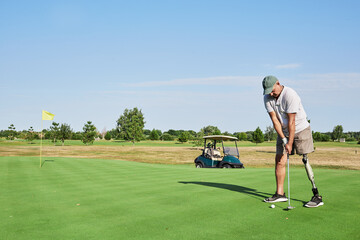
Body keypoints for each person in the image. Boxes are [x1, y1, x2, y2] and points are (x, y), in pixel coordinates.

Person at [262, 75, 323, 208]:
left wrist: (290, 143)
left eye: (272, 90)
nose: (271, 94)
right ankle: (280, 194)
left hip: (301, 129)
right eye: (268, 92)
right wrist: (284, 139)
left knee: (305, 159)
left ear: (278, 84)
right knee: (279, 160)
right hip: (283, 131)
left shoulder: (290, 95)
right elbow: (275, 121)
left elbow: (292, 121)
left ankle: (317, 195)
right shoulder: (267, 98)